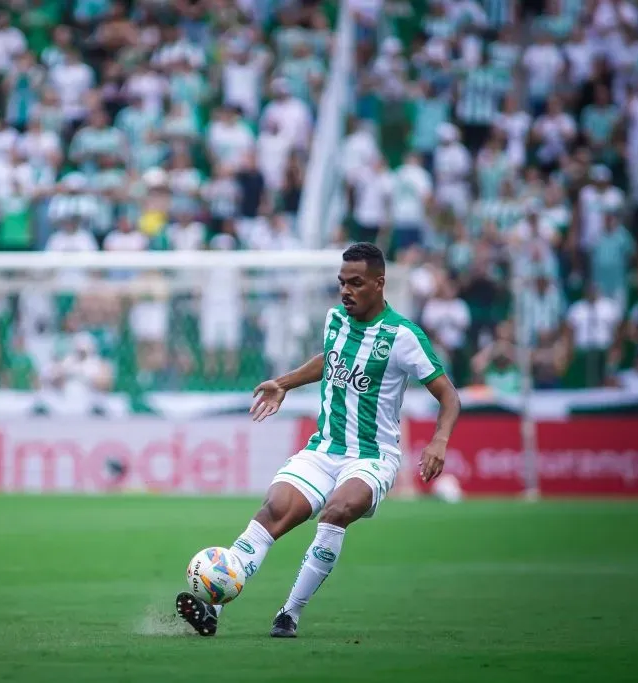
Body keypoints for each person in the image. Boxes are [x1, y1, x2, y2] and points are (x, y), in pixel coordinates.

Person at [176, 242, 461, 638]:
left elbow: (449, 395)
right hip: (325, 449)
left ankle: (289, 614)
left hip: (372, 457)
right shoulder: (336, 320)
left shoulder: (403, 336)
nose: (346, 290)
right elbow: (330, 359)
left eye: (356, 283)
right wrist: (285, 383)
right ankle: (211, 610)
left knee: (337, 510)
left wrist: (439, 440)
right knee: (273, 510)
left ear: (379, 284)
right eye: (341, 282)